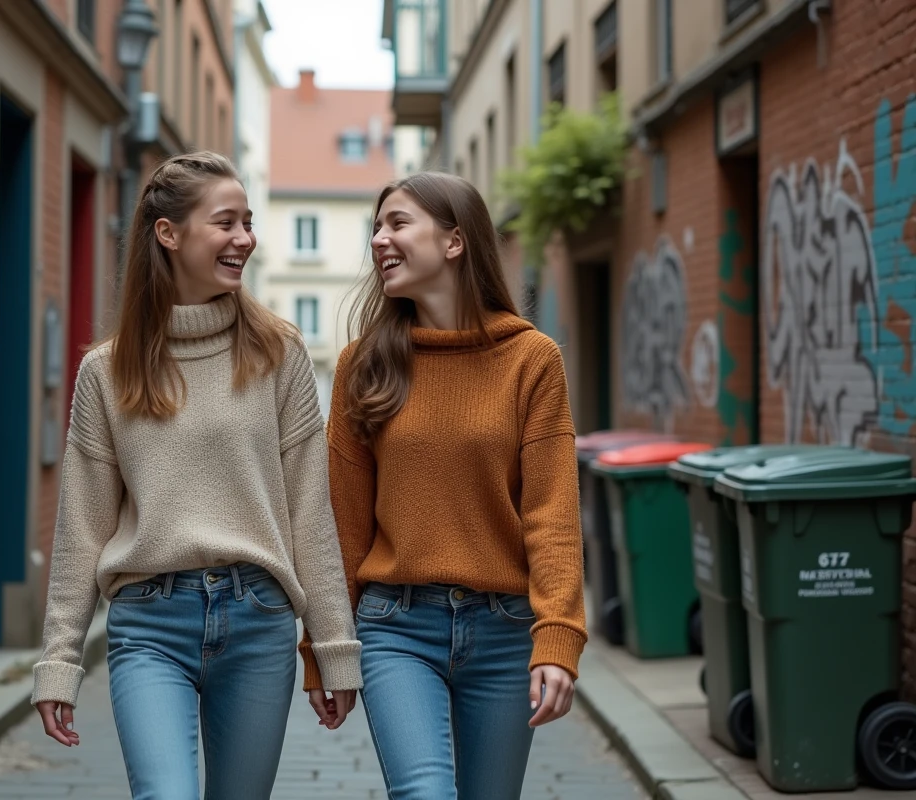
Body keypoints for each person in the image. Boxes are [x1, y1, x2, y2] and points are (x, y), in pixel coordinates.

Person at [32, 151, 362, 800]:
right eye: (226, 222)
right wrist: (59, 661)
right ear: (169, 233)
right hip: (149, 625)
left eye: (249, 222)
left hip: (258, 621)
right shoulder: (107, 372)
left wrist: (332, 645)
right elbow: (82, 526)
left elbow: (309, 510)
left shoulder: (279, 353)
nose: (245, 238)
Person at [300, 171, 587, 799]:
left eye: (398, 223)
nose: (379, 239)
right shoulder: (363, 365)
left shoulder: (532, 360)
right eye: (376, 227)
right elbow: (342, 525)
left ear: (455, 241)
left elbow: (552, 514)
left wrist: (558, 636)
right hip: (396, 627)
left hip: (506, 630)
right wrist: (325, 647)